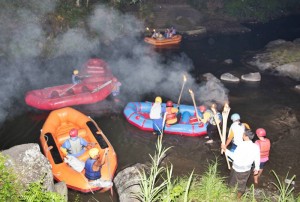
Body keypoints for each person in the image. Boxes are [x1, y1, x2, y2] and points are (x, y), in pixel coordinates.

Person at [221, 129, 260, 199]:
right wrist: (257, 168)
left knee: (232, 182)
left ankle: (231, 196)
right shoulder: (256, 147)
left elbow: (234, 157)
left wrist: (225, 149)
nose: (242, 136)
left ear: (246, 136)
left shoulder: (241, 145)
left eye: (243, 134)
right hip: (246, 170)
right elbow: (257, 158)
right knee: (242, 184)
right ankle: (238, 198)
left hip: (237, 168)